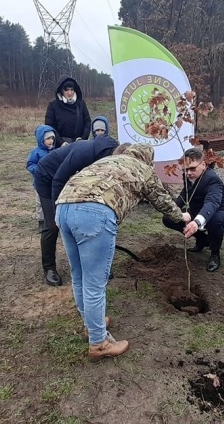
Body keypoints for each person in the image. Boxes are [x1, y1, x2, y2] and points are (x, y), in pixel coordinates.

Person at [56, 144, 189, 361]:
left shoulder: (106, 161)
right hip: (94, 212)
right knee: (94, 284)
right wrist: (180, 217)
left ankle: (91, 326)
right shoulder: (143, 169)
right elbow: (161, 199)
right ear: (148, 159)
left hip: (63, 206)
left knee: (79, 276)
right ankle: (99, 343)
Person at [33, 135, 119, 286]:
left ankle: (94, 266)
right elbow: (58, 179)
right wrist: (57, 212)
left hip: (69, 179)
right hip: (47, 178)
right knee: (52, 225)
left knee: (87, 221)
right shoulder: (84, 152)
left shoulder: (107, 158)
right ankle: (49, 268)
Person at [161, 148, 224, 272]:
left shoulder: (212, 179)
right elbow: (183, 195)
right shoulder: (187, 176)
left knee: (214, 220)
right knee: (168, 218)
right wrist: (171, 209)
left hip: (221, 214)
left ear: (203, 165)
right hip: (197, 211)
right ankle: (202, 239)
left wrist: (196, 222)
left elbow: (212, 203)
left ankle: (215, 254)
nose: (189, 173)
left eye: (192, 168)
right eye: (185, 169)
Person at [26, 125, 58, 232]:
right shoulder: (36, 152)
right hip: (40, 183)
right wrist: (39, 171)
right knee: (40, 202)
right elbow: (30, 165)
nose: (50, 141)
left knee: (53, 201)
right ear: (41, 139)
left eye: (52, 138)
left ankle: (53, 220)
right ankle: (41, 221)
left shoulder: (55, 151)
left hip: (52, 182)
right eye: (48, 139)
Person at [45, 77, 91, 145]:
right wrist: (60, 142)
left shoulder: (80, 103)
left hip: (79, 144)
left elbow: (87, 122)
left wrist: (83, 138)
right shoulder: (53, 105)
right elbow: (50, 126)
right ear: (61, 91)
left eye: (72, 90)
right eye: (66, 90)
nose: (70, 93)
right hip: (60, 147)